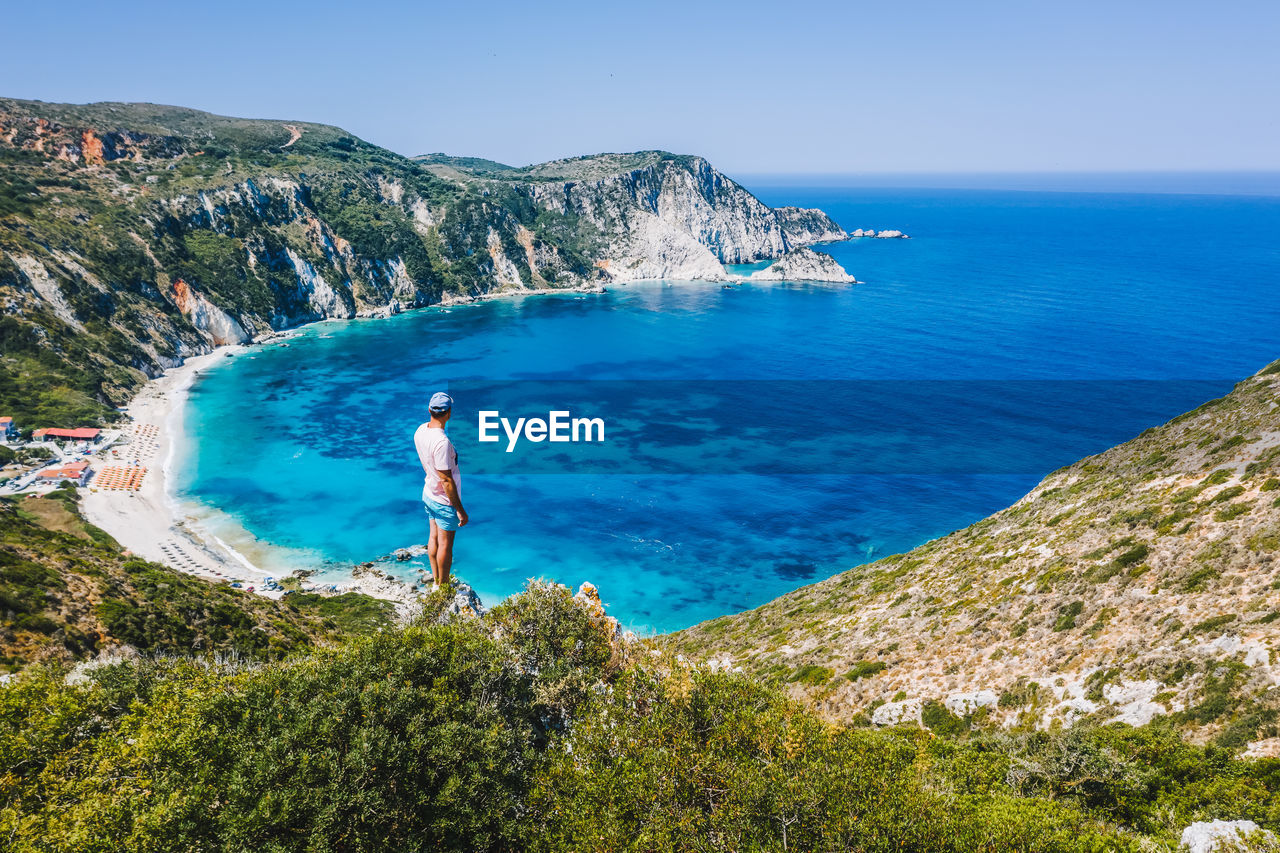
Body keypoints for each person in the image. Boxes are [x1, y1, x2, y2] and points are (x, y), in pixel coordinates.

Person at [414, 391, 468, 589]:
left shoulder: (420, 430)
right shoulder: (442, 443)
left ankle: (436, 582)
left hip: (428, 493)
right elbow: (446, 480)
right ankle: (443, 588)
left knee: (433, 538)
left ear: (430, 410)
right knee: (446, 545)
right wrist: (460, 511)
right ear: (449, 413)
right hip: (444, 501)